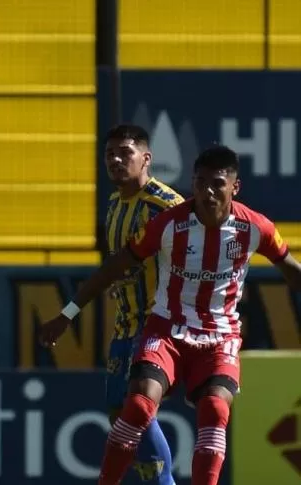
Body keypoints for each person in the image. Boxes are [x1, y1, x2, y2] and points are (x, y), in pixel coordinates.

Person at [39, 145, 301, 485]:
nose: (207, 191)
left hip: (220, 338)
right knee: (137, 405)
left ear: (235, 187)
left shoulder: (256, 228)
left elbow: (291, 271)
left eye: (217, 183)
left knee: (216, 410)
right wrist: (68, 313)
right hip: (166, 330)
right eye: (199, 181)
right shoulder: (168, 224)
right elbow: (116, 266)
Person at [98, 124, 183, 484]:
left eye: (125, 153)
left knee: (136, 408)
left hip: (157, 322)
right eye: (110, 155)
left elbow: (195, 258)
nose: (116, 160)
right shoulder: (116, 202)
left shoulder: (168, 206)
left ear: (146, 158)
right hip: (125, 320)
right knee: (118, 411)